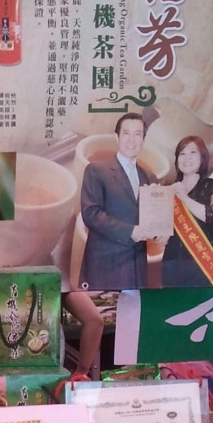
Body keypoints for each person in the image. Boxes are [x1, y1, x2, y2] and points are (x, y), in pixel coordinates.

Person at [78, 112, 159, 291]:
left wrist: (161, 231)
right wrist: (130, 231)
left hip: (137, 267)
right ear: (117, 137)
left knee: (135, 309)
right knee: (104, 309)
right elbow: (91, 214)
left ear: (143, 140)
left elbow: (152, 221)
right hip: (105, 264)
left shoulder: (149, 177)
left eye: (138, 134)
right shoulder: (96, 170)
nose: (131, 140)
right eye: (126, 133)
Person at [161, 135, 213, 288]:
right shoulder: (168, 191)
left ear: (203, 157)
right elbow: (159, 229)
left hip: (203, 265)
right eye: (182, 153)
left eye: (193, 152)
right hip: (171, 265)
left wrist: (184, 197)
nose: (187, 158)